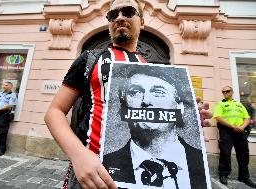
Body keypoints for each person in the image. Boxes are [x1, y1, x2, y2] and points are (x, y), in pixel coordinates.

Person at [44, 0, 212, 188]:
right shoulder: (90, 58)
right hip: (92, 169)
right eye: (113, 15)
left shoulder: (149, 69)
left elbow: (151, 118)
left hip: (138, 172)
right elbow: (54, 112)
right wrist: (78, 155)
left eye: (128, 12)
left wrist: (188, 120)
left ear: (141, 22)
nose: (120, 18)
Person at [102, 66, 207, 189]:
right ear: (125, 107)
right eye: (135, 92)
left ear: (179, 107)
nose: (146, 101)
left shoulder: (200, 162)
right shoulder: (106, 164)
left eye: (158, 92)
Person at [213, 86, 256, 188]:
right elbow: (218, 117)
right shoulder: (220, 104)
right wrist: (233, 126)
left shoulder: (239, 105)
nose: (225, 93)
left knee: (243, 154)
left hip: (240, 131)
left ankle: (244, 177)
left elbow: (247, 118)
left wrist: (242, 127)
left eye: (227, 91)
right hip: (227, 131)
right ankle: (223, 174)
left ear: (232, 92)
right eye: (223, 92)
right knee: (225, 152)